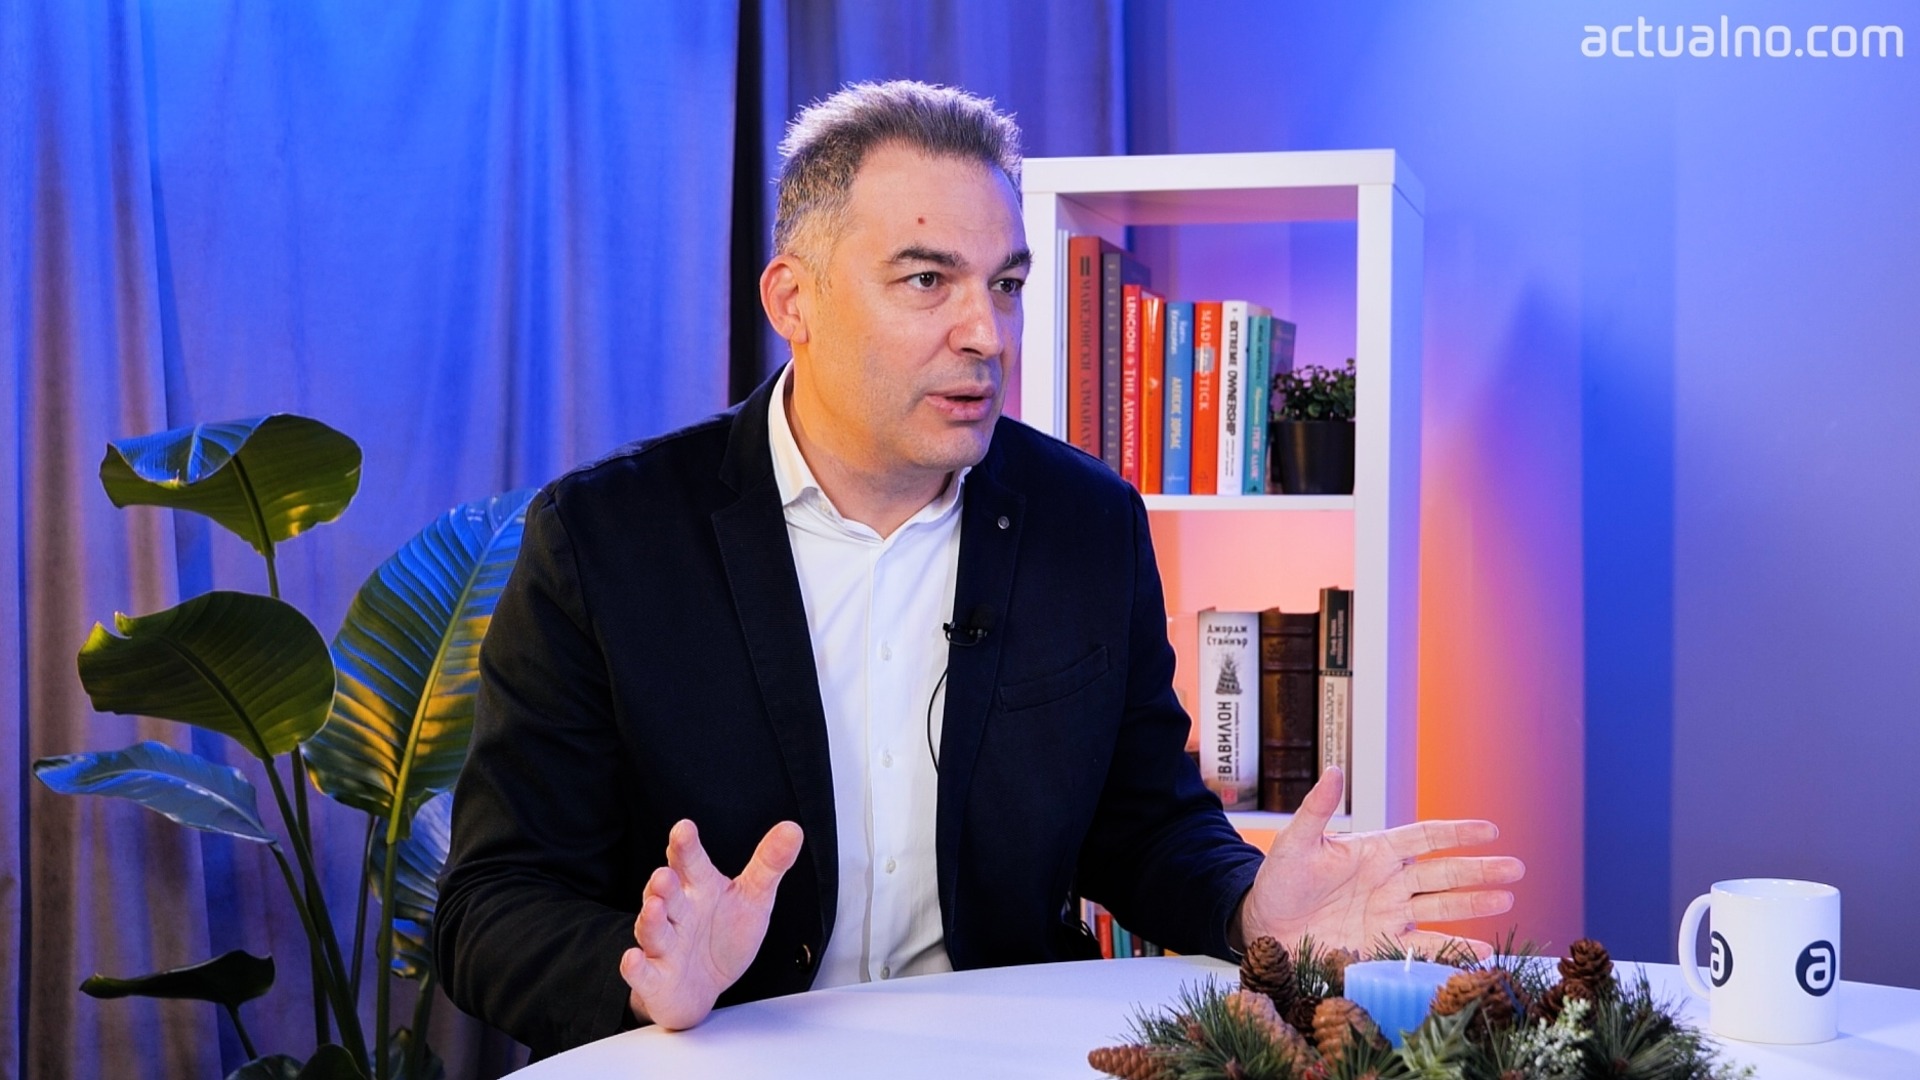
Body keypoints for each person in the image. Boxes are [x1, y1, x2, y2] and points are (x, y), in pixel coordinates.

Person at [435, 80, 1523, 1059]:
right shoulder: (606, 537)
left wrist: (1250, 907)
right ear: (793, 301)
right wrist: (641, 974)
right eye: (927, 280)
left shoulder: (1086, 522)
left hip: (1008, 1053)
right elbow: (492, 902)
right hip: (723, 1056)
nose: (988, 333)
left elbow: (1143, 824)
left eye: (1006, 284)